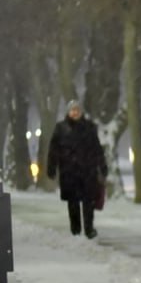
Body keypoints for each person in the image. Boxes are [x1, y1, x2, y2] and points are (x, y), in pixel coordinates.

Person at [46, 100, 107, 239]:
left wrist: (102, 166)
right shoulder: (61, 128)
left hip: (88, 171)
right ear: (68, 112)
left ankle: (89, 229)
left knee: (88, 202)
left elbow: (97, 149)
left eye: (77, 110)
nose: (75, 113)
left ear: (81, 112)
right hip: (69, 171)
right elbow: (54, 149)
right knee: (72, 203)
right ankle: (75, 230)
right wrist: (52, 167)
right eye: (72, 110)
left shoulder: (90, 128)